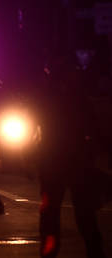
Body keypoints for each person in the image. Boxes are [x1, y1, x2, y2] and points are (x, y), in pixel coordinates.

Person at [34, 55, 106, 258]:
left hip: (55, 160)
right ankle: (94, 251)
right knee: (83, 212)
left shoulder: (48, 97)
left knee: (53, 211)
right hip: (75, 160)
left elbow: (36, 126)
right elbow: (93, 128)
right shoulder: (75, 97)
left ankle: (50, 251)